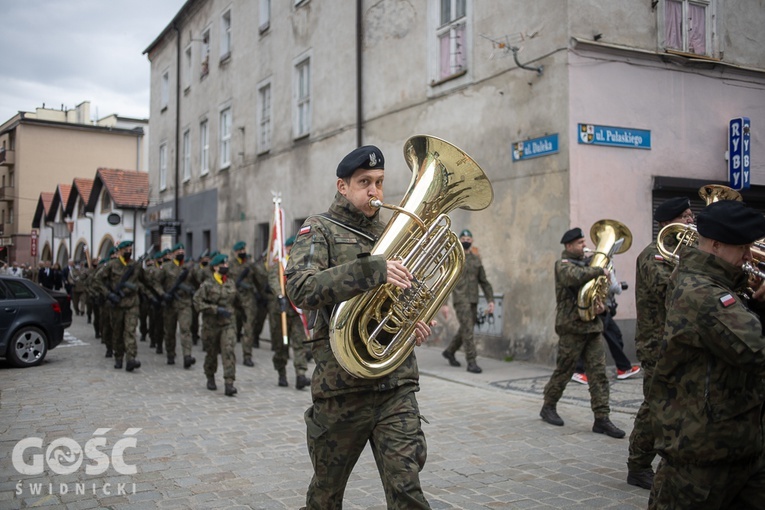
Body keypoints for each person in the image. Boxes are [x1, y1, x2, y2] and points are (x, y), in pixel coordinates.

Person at [286, 145, 434, 509]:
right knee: (325, 496)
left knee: (407, 493)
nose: (374, 191)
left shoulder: (391, 234)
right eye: (364, 182)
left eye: (380, 183)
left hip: (395, 385)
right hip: (342, 390)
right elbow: (300, 287)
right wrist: (371, 270)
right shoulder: (318, 229)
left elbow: (404, 296)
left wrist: (413, 321)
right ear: (343, 186)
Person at [648, 200, 765, 509]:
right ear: (715, 245)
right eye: (742, 248)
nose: (748, 256)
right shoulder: (701, 292)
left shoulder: (718, 283)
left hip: (738, 443)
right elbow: (756, 348)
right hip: (702, 455)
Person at [627, 196, 695, 490]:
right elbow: (667, 288)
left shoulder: (687, 253)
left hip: (681, 340)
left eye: (692, 216)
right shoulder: (654, 254)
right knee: (656, 405)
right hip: (657, 343)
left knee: (680, 403)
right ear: (666, 223)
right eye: (686, 216)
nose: (692, 221)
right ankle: (638, 465)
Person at [539, 227, 626, 438]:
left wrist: (602, 306)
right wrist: (599, 270)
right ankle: (548, 406)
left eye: (583, 242)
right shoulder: (563, 265)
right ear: (569, 246)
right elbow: (573, 278)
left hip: (593, 326)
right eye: (580, 243)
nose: (584, 246)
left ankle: (602, 418)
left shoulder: (590, 265)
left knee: (598, 374)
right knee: (565, 370)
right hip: (571, 327)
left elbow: (601, 292)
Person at [571, 266, 640, 384]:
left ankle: (623, 368)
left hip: (603, 309)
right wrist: (617, 285)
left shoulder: (607, 264)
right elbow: (614, 287)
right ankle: (578, 370)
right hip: (598, 308)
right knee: (591, 338)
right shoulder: (604, 265)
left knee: (615, 335)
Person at [441, 229, 495, 373]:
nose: (466, 240)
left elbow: (484, 281)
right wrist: (444, 304)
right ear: (459, 240)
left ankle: (450, 351)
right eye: (463, 238)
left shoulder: (477, 259)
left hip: (473, 300)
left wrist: (491, 300)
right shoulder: (455, 258)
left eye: (468, 238)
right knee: (468, 330)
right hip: (460, 299)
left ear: (472, 241)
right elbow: (447, 282)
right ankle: (471, 362)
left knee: (466, 328)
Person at [96, 241, 153, 371]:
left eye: (130, 248)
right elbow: (97, 280)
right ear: (119, 251)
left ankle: (131, 359)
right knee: (117, 332)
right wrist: (109, 294)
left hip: (132, 303)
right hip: (117, 304)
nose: (128, 251)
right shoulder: (111, 265)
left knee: (130, 331)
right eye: (126, 249)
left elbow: (146, 281)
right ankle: (118, 357)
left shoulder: (135, 266)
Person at [193, 253, 239, 396]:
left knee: (228, 351)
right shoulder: (207, 285)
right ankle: (210, 375)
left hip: (228, 324)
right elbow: (197, 302)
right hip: (211, 325)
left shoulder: (230, 282)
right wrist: (215, 309)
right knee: (211, 353)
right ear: (215, 267)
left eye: (226, 265)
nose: (226, 267)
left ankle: (229, 383)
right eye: (222, 265)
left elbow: (236, 301)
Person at [268, 235, 309, 389]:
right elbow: (273, 281)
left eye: (294, 247)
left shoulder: (301, 263)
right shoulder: (279, 265)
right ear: (285, 248)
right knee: (281, 345)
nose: (292, 249)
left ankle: (301, 375)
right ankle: (281, 373)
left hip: (297, 311)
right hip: (281, 311)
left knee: (299, 344)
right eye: (290, 247)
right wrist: (280, 295)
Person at [157, 243, 196, 368]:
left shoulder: (189, 268)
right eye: (177, 251)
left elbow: (197, 281)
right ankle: (170, 353)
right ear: (172, 254)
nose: (180, 253)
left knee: (185, 329)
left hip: (185, 303)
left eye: (182, 250)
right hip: (170, 304)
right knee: (169, 331)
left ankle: (187, 356)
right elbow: (156, 282)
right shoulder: (166, 267)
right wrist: (162, 294)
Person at [228, 241, 265, 367]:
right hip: (233, 299)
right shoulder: (229, 265)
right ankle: (228, 354)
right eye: (240, 251)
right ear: (236, 252)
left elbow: (259, 281)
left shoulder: (250, 265)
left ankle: (247, 356)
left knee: (249, 328)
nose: (242, 252)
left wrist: (263, 295)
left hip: (248, 300)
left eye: (244, 250)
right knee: (231, 329)